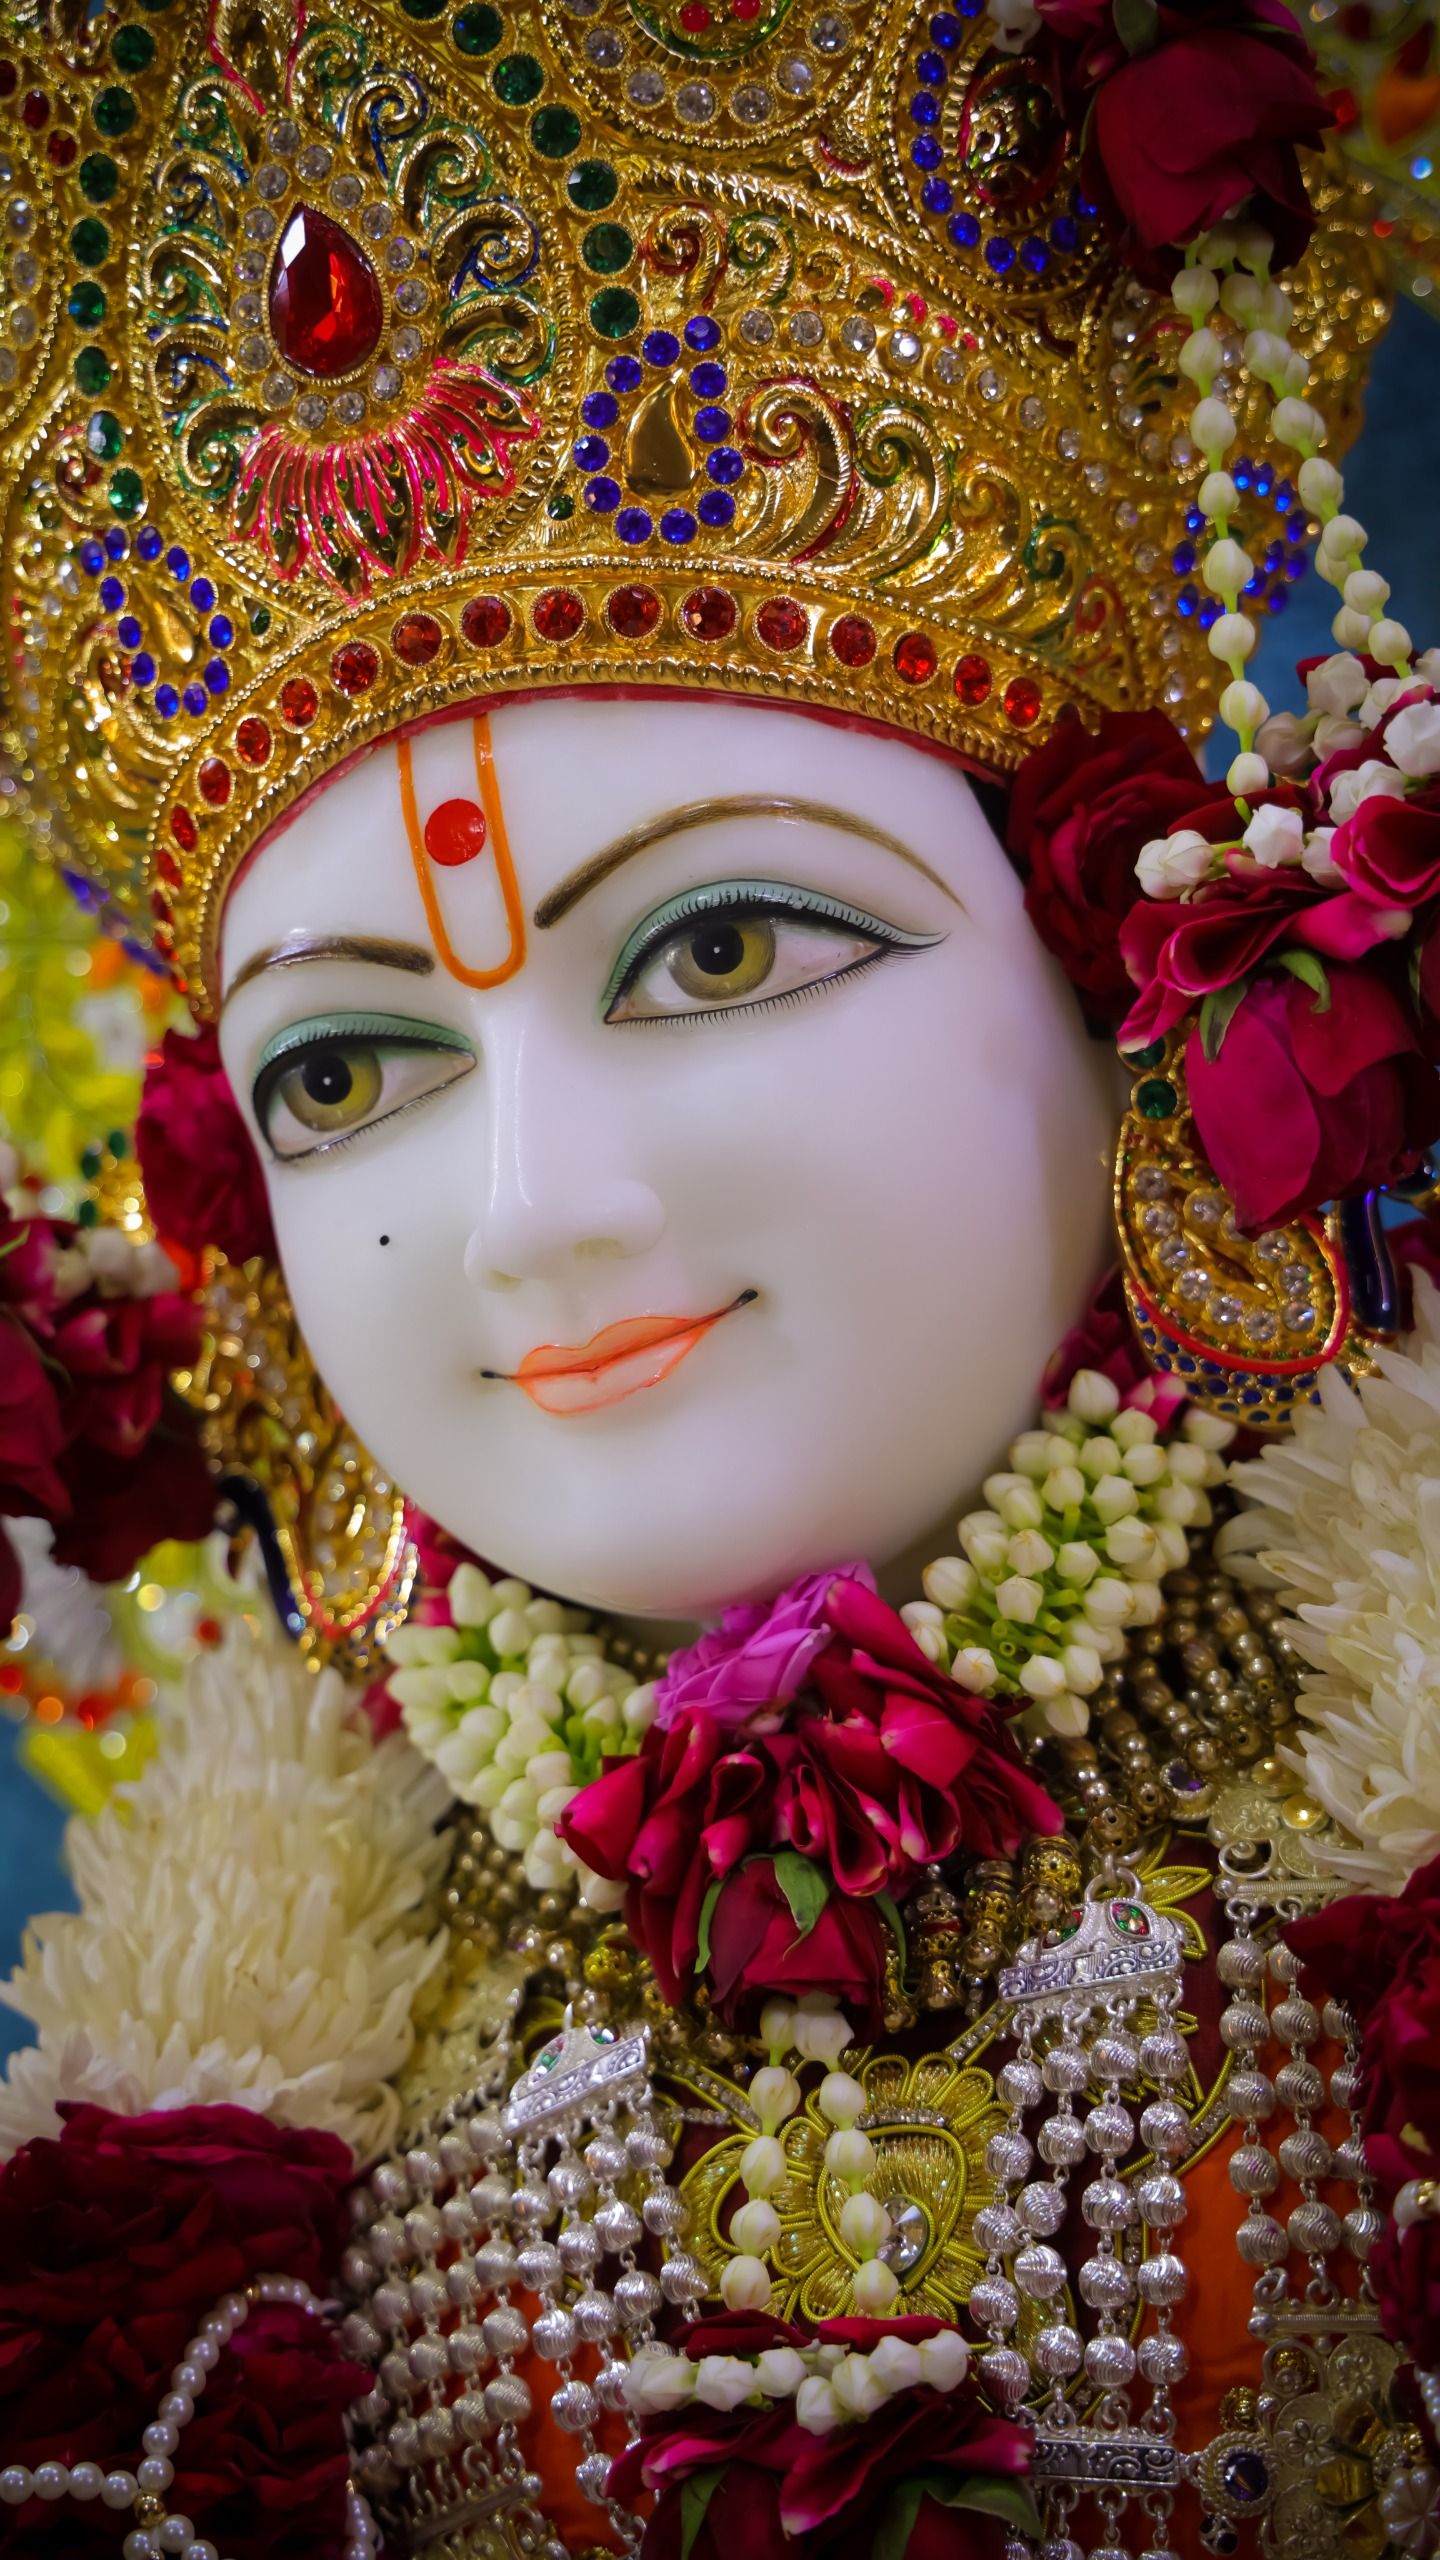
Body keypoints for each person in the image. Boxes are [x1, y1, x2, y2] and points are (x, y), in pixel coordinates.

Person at [0, 5, 1438, 2558]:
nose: (534, 1207)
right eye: (348, 1069)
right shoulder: (252, 2050)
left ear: (1139, 965)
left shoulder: (1386, 1751)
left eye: (720, 944)